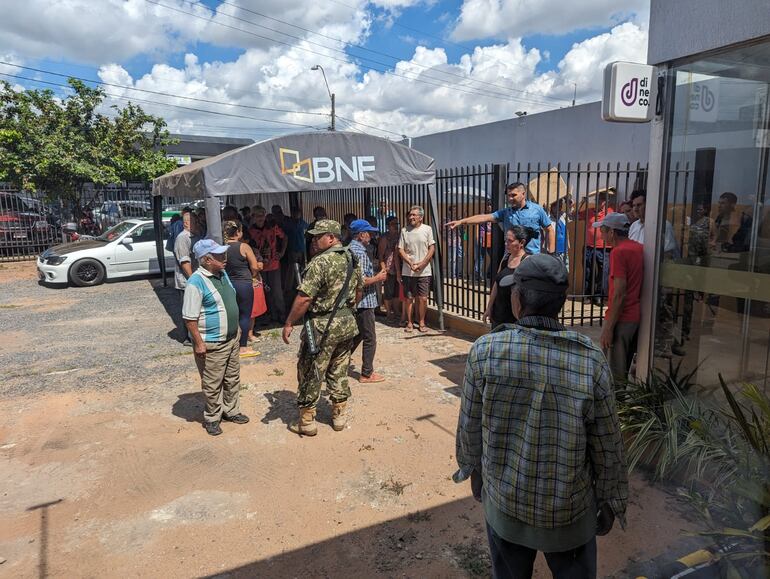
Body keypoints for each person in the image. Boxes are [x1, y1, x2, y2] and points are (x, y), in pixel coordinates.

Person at [454, 254, 628, 579]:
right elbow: (608, 443)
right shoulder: (590, 361)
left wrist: (472, 469)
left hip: (505, 507)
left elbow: (470, 426)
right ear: (561, 303)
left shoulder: (485, 351)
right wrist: (610, 497)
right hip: (569, 516)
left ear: (517, 299)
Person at [282, 220, 364, 436]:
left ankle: (307, 421)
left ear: (331, 237)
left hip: (322, 327)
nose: (314, 241)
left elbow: (304, 298)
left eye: (318, 236)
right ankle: (339, 415)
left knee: (311, 370)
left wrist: (290, 321)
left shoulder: (320, 262)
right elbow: (359, 292)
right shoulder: (352, 258)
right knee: (339, 368)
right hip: (346, 324)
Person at [183, 239, 250, 436]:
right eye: (219, 256)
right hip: (212, 343)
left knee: (232, 378)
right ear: (206, 259)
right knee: (212, 383)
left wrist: (236, 328)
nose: (225, 258)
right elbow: (189, 317)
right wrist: (199, 343)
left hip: (231, 338)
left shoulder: (222, 274)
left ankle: (231, 410)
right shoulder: (195, 282)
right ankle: (212, 417)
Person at [595, 213, 643, 384]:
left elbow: (619, 293)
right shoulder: (638, 248)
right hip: (633, 315)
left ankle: (617, 408)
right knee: (624, 364)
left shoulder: (619, 252)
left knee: (615, 372)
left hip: (622, 317)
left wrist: (609, 328)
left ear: (612, 232)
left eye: (603, 230)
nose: (601, 235)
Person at [446, 182, 555, 255]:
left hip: (531, 256)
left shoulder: (537, 210)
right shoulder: (506, 212)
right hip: (510, 256)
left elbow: (549, 229)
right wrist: (462, 221)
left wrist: (551, 252)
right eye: (508, 195)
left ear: (523, 194)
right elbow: (484, 217)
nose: (510, 198)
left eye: (513, 195)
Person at [348, 219, 387, 383]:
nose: (371, 236)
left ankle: (338, 361)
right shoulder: (360, 253)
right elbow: (360, 281)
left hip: (356, 302)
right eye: (369, 233)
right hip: (364, 301)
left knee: (357, 334)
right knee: (370, 337)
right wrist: (378, 278)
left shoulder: (349, 249)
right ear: (361, 234)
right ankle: (367, 373)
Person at [223, 221, 264, 356]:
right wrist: (257, 270)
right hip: (244, 283)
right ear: (238, 233)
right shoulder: (244, 247)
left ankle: (230, 344)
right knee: (245, 315)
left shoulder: (221, 247)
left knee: (230, 314)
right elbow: (254, 266)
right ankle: (243, 347)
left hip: (228, 283)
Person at [483, 226, 532, 327]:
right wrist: (489, 307)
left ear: (521, 243)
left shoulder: (527, 261)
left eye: (510, 241)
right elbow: (497, 283)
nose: (506, 244)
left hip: (514, 317)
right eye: (506, 240)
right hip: (498, 314)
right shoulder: (506, 258)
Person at [398, 205, 435, 333]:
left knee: (423, 298)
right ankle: (409, 322)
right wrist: (409, 262)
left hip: (424, 270)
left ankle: (421, 321)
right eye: (410, 215)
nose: (411, 217)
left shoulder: (427, 229)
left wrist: (423, 263)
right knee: (409, 298)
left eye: (414, 215)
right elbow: (400, 249)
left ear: (421, 217)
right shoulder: (404, 231)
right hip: (408, 271)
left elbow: (431, 248)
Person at [249, 205, 287, 325]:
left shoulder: (272, 228)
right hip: (259, 266)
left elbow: (285, 237)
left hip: (274, 264)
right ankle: (269, 315)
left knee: (277, 291)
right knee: (265, 292)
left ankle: (282, 314)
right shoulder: (250, 232)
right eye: (257, 215)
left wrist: (282, 252)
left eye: (262, 215)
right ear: (253, 217)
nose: (260, 218)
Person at [173, 210, 201, 345]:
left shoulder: (196, 236)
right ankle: (189, 338)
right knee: (189, 310)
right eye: (195, 222)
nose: (198, 224)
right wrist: (193, 280)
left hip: (195, 279)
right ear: (186, 223)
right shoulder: (182, 238)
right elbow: (184, 261)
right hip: (187, 281)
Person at [378, 216, 402, 320]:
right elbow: (380, 255)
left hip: (399, 267)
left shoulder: (400, 236)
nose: (396, 226)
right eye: (393, 224)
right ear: (388, 226)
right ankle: (388, 312)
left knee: (397, 291)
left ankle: (396, 310)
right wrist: (384, 269)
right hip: (389, 268)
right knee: (388, 291)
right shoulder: (385, 238)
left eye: (397, 224)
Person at [444, 206, 465, 279]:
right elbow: (443, 230)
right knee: (452, 259)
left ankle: (458, 273)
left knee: (461, 257)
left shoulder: (457, 219)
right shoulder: (445, 219)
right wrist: (447, 238)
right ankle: (452, 275)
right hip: (451, 241)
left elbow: (462, 229)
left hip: (458, 241)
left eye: (455, 210)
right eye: (453, 210)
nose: (454, 212)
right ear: (449, 211)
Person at [475, 202, 494, 280]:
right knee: (480, 257)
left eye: (490, 205)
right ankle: (478, 275)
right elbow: (477, 225)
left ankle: (489, 273)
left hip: (491, 238)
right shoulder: (483, 215)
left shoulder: (494, 215)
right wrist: (477, 237)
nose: (489, 206)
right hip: (482, 237)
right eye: (488, 205)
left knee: (493, 257)